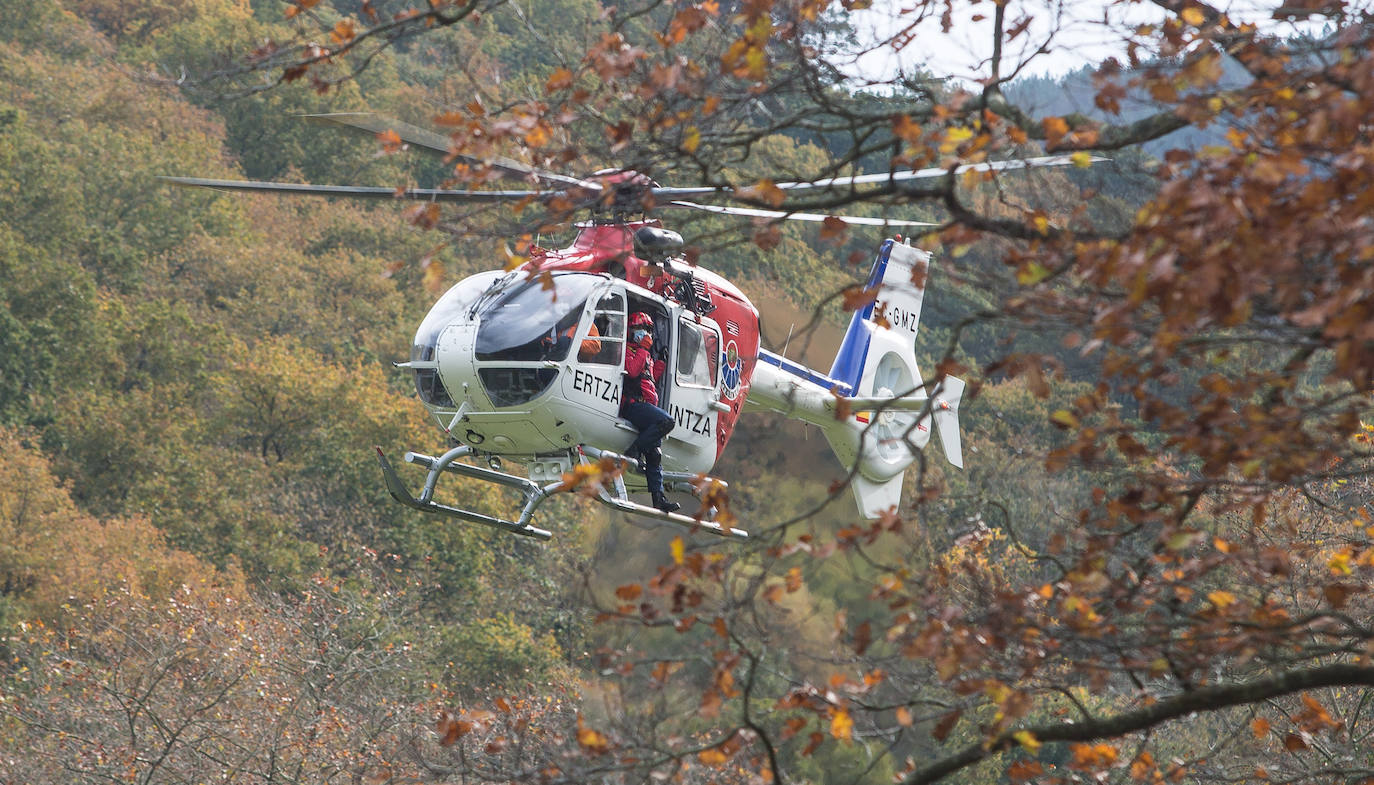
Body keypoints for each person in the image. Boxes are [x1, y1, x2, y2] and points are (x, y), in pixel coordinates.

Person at [621, 311, 680, 513]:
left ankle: (658, 498)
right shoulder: (627, 349)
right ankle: (634, 451)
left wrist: (660, 363)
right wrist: (645, 350)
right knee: (667, 422)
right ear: (631, 331)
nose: (644, 334)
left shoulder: (645, 354)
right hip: (633, 406)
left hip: (646, 408)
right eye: (640, 329)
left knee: (655, 455)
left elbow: (650, 378)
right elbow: (632, 370)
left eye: (647, 330)